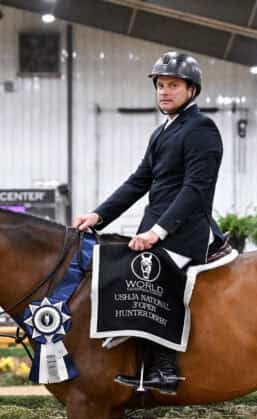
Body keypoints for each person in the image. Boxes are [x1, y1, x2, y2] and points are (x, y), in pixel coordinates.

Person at [73, 51, 226, 393]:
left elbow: (195, 190)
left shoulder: (201, 129)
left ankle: (166, 369)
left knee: (150, 270)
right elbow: (138, 181)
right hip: (157, 228)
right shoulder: (161, 133)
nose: (164, 92)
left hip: (187, 231)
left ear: (192, 91)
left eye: (173, 85)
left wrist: (158, 232)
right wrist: (98, 215)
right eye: (160, 85)